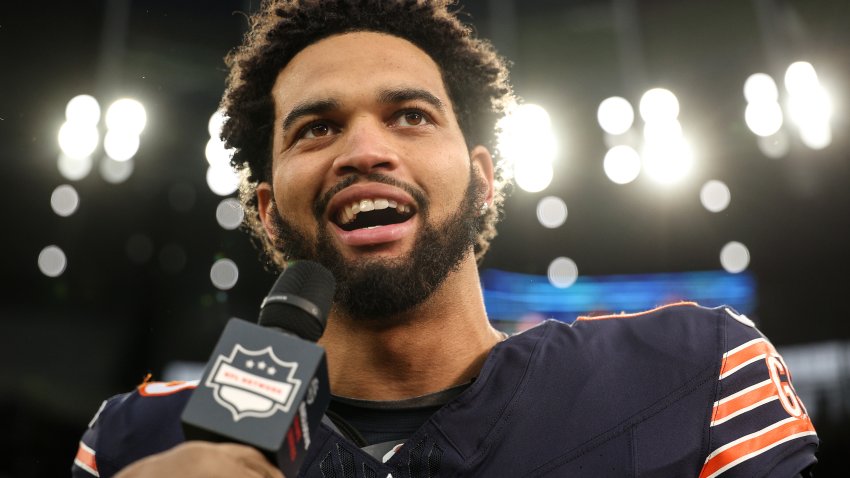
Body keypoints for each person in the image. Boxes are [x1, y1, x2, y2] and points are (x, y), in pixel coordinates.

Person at [72, 1, 819, 477]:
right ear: (266, 210)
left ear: (484, 179)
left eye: (411, 116)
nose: (364, 150)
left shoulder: (696, 375)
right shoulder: (135, 438)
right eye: (318, 127)